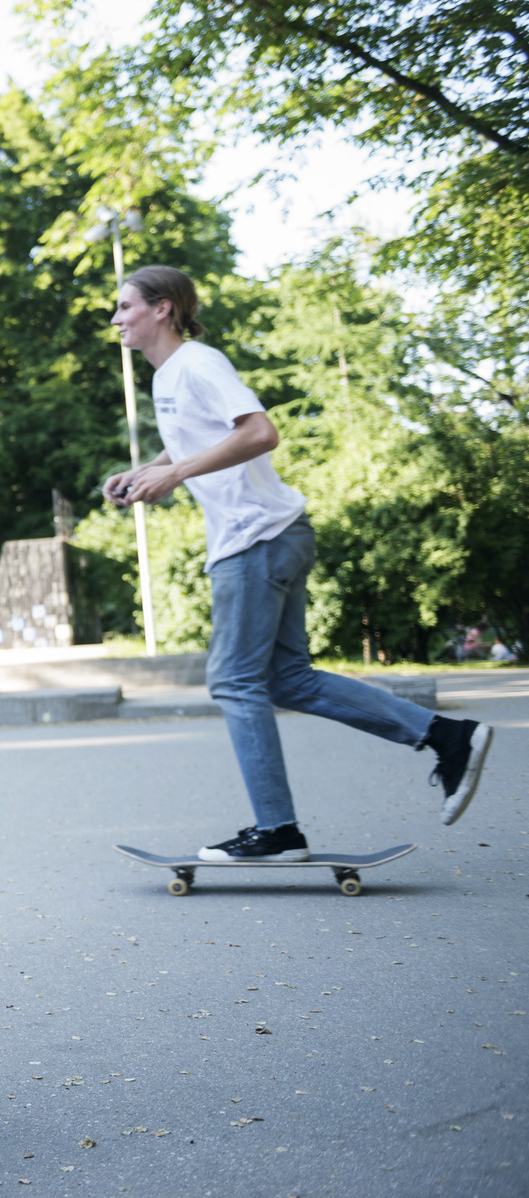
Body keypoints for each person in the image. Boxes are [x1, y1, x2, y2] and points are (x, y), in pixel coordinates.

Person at [104, 265, 492, 859]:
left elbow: (261, 432)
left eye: (125, 306)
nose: (116, 319)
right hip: (271, 536)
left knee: (233, 681)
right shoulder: (169, 377)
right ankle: (446, 735)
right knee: (289, 680)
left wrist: (176, 473)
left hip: (256, 540)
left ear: (163, 309)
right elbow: (196, 442)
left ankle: (278, 830)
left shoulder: (198, 363)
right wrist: (148, 471)